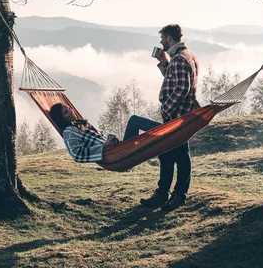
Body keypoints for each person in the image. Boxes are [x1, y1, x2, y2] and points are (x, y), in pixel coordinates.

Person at [137, 23, 199, 212]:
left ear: (170, 38)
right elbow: (172, 78)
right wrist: (164, 62)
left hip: (177, 116)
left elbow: (182, 88)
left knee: (180, 156)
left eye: (163, 38)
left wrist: (166, 108)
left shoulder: (180, 58)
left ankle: (178, 196)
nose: (161, 42)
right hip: (179, 115)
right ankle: (162, 193)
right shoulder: (184, 57)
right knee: (166, 153)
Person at [49, 103, 143, 164]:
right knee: (134, 121)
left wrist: (109, 140)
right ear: (62, 119)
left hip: (116, 151)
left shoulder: (78, 126)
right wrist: (104, 146)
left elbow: (95, 140)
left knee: (151, 140)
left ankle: (157, 137)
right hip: (115, 157)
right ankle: (158, 134)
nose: (70, 111)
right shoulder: (69, 132)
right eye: (66, 112)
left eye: (69, 108)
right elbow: (77, 154)